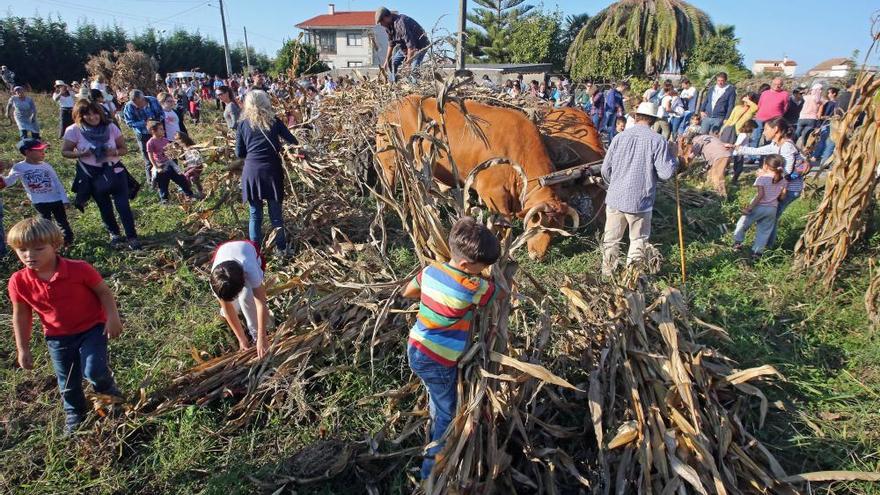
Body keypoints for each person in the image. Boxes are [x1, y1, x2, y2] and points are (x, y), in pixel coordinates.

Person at [401, 216, 499, 479]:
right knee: (448, 413)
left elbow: (408, 292)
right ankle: (430, 473)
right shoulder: (472, 287)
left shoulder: (430, 271)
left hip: (417, 349)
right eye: (482, 266)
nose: (484, 271)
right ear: (467, 265)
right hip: (440, 360)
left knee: (437, 398)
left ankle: (432, 430)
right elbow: (496, 293)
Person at [7, 217, 124, 434]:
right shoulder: (18, 281)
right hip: (57, 337)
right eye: (22, 250)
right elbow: (21, 314)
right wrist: (22, 348)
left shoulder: (79, 269)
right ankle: (75, 413)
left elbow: (103, 292)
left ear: (56, 246)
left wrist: (112, 317)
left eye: (38, 249)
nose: (29, 256)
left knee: (94, 370)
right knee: (68, 380)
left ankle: (111, 399)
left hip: (92, 328)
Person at [600, 102, 678, 276]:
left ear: (635, 117)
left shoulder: (619, 137)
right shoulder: (658, 141)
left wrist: (612, 187)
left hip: (615, 198)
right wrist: (673, 157)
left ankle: (607, 274)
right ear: (653, 121)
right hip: (640, 202)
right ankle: (632, 278)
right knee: (638, 240)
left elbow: (605, 170)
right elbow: (666, 174)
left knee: (611, 239)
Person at [63, 99, 141, 249]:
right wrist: (80, 153)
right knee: (104, 207)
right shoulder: (73, 130)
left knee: (123, 206)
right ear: (79, 116)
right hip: (93, 175)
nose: (92, 117)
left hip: (115, 171)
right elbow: (65, 151)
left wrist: (114, 152)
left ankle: (132, 236)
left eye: (95, 113)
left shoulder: (110, 127)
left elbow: (124, 149)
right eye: (87, 114)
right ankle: (115, 235)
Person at [236, 90, 297, 255]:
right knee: (276, 215)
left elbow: (239, 153)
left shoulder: (242, 124)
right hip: (271, 171)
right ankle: (282, 249)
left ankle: (254, 252)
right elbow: (293, 140)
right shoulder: (274, 121)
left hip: (251, 172)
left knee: (255, 215)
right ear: (266, 102)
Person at [732, 117, 807, 248]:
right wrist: (736, 148)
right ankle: (764, 247)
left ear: (776, 129)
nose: (764, 132)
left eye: (766, 129)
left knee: (771, 218)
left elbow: (786, 172)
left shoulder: (786, 147)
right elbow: (758, 151)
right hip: (781, 186)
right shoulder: (776, 145)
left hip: (789, 189)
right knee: (770, 217)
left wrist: (764, 174)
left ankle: (766, 247)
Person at [1, 139, 73, 244]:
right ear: (27, 152)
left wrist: (64, 199)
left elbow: (57, 183)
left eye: (43, 150)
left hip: (56, 199)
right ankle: (49, 242)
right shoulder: (19, 167)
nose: (42, 153)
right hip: (39, 201)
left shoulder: (46, 166)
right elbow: (9, 181)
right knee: (45, 223)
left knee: (62, 221)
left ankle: (68, 241)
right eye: (38, 150)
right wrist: (2, 177)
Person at [210, 240, 271, 358]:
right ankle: (245, 335)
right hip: (226, 253)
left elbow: (261, 303)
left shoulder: (250, 267)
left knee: (247, 298)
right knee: (232, 308)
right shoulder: (217, 280)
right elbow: (227, 307)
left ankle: (255, 336)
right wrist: (241, 339)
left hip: (247, 251)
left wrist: (262, 337)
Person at [732, 154, 788, 258]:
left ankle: (737, 243)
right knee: (764, 231)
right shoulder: (783, 180)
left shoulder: (762, 178)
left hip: (759, 207)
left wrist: (749, 208)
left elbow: (760, 195)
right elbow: (783, 196)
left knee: (743, 224)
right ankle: (757, 253)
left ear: (766, 166)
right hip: (772, 209)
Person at [146, 120, 197, 204]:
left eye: (163, 129)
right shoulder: (150, 142)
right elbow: (150, 156)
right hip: (161, 166)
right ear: (153, 131)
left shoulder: (165, 140)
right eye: (161, 129)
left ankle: (189, 195)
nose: (163, 131)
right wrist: (156, 167)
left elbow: (170, 152)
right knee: (163, 184)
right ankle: (165, 200)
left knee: (181, 179)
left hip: (169, 163)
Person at [122, 89, 165, 184]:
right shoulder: (129, 107)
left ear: (143, 98)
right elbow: (129, 122)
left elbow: (162, 113)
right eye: (136, 104)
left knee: (162, 154)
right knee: (148, 159)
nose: (139, 106)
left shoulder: (152, 100)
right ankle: (151, 183)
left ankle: (164, 178)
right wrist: (144, 123)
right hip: (143, 134)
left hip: (157, 133)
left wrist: (156, 122)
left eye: (140, 102)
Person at [376, 7, 430, 83]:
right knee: (393, 63)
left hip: (419, 47)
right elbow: (391, 44)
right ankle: (393, 84)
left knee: (413, 70)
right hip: (405, 48)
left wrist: (408, 64)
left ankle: (415, 88)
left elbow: (411, 47)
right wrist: (386, 62)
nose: (381, 24)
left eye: (381, 21)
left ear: (386, 17)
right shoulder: (388, 26)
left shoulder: (401, 23)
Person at [751, 77, 789, 151]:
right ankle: (751, 157)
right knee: (755, 137)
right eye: (775, 84)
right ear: (771, 84)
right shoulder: (765, 93)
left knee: (769, 139)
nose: (777, 86)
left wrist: (778, 116)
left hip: (773, 121)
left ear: (782, 85)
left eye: (779, 84)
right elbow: (760, 104)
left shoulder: (785, 94)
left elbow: (785, 108)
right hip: (760, 118)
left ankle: (765, 158)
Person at [176, 132, 205, 196]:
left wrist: (187, 161)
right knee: (194, 179)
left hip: (197, 166)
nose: (177, 142)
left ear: (183, 139)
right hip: (190, 167)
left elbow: (197, 158)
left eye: (178, 140)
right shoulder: (183, 149)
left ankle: (187, 192)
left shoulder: (192, 147)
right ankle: (201, 193)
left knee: (186, 175)